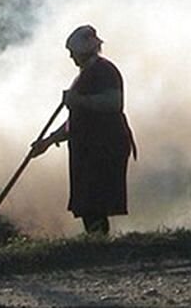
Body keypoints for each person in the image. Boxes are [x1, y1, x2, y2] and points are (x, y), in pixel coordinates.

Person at [30, 25, 136, 235]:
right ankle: (97, 242)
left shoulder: (105, 71)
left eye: (73, 53)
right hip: (88, 147)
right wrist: (49, 141)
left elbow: (114, 102)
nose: (71, 57)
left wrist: (78, 99)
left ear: (84, 51)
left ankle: (99, 245)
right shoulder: (85, 75)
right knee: (87, 201)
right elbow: (76, 120)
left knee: (94, 201)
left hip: (104, 146)